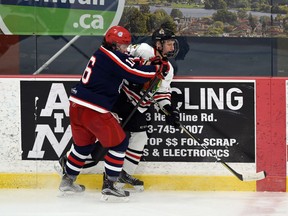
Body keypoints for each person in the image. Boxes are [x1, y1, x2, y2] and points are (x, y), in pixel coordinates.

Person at [58, 25, 169, 200]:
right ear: (115, 45)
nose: (126, 49)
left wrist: (144, 64)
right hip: (94, 109)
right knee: (119, 143)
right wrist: (156, 69)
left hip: (77, 106)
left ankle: (67, 181)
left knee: (83, 146)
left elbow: (127, 64)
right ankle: (110, 184)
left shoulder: (102, 53)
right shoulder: (112, 56)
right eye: (124, 46)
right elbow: (135, 74)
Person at [112, 27, 180, 191]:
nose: (172, 47)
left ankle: (122, 176)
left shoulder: (168, 69)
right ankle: (70, 162)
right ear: (158, 43)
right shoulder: (143, 49)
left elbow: (162, 93)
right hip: (121, 98)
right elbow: (121, 56)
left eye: (172, 44)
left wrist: (168, 111)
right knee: (105, 135)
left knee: (141, 137)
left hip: (138, 107)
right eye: (169, 44)